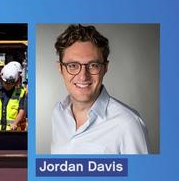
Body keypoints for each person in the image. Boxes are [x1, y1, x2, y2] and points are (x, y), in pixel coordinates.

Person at [51, 24, 149, 154]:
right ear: (60, 68)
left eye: (93, 65)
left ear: (105, 67)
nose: (82, 76)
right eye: (73, 65)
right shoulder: (58, 114)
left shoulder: (128, 124)